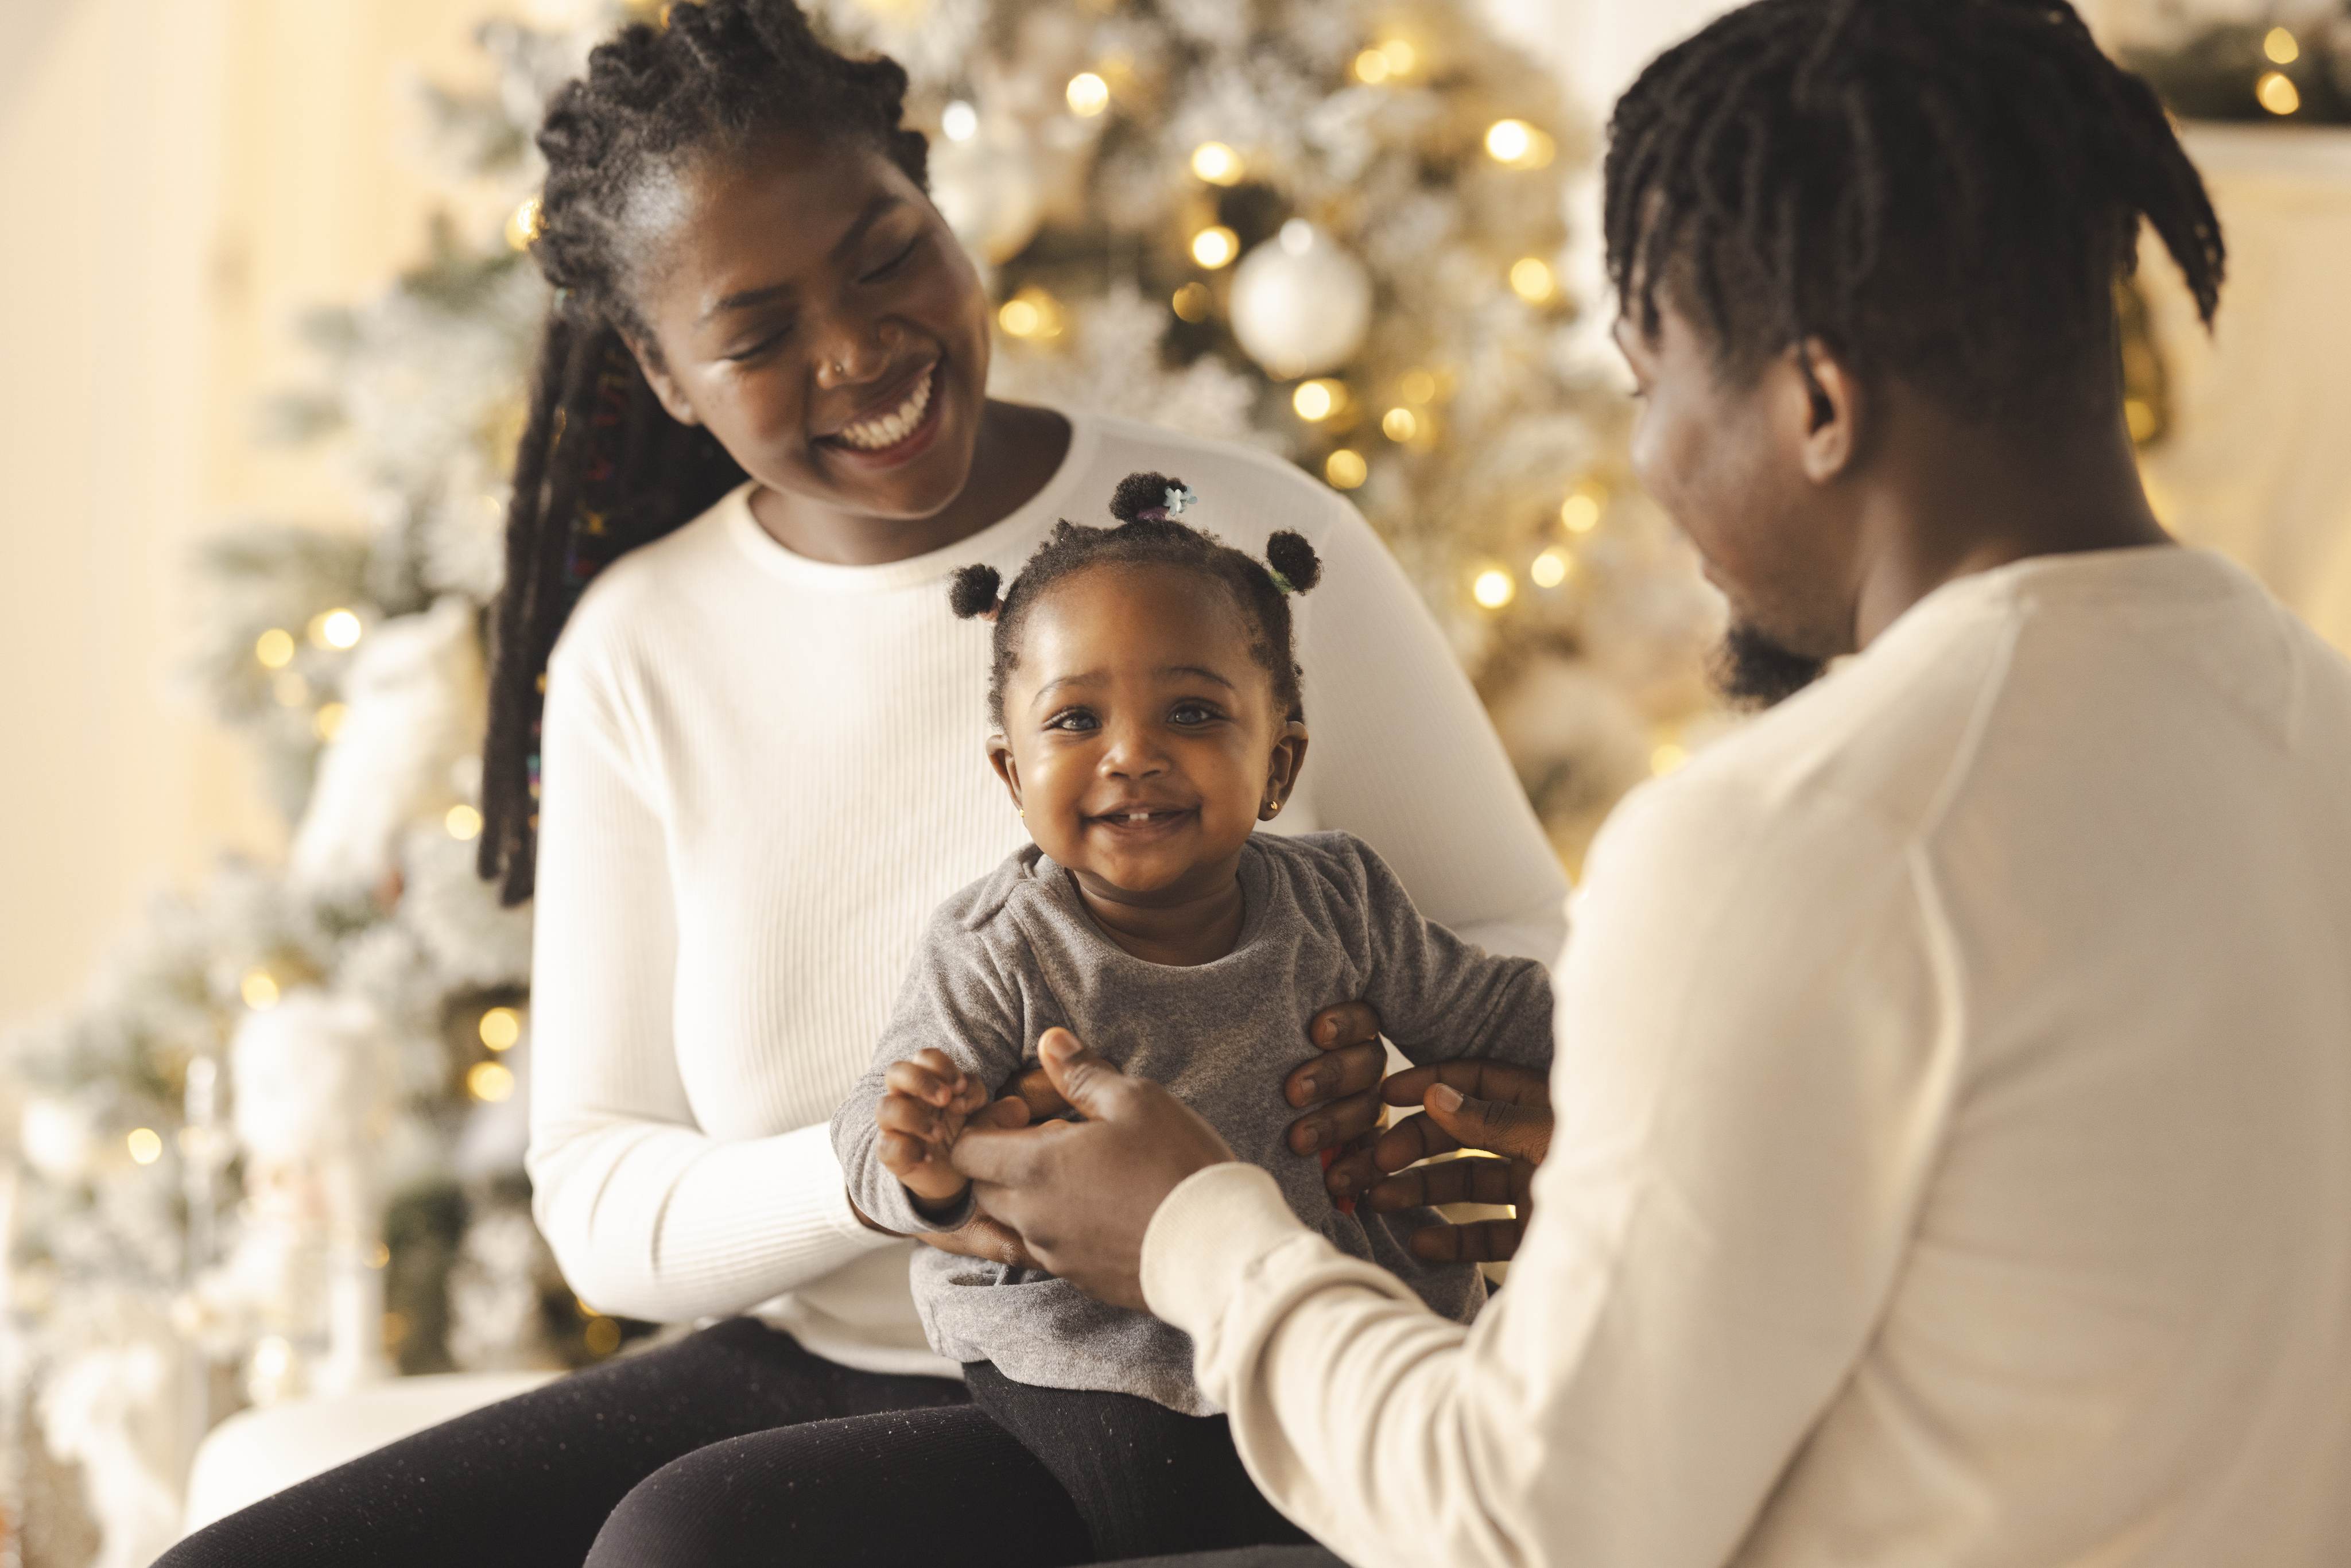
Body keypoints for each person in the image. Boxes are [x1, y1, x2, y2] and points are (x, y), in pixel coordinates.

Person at [156, 5, 1563, 1566]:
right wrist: (884, 1174)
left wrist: (1441, 1113)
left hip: (1192, 1364)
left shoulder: (1256, 547)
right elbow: (603, 1183)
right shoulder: (643, 648)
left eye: (887, 255)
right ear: (664, 373)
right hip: (823, 1359)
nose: (858, 351)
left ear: (934, 196)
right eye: (756, 334)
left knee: (688, 1547)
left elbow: (1528, 940)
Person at [946, 2, 2351, 1565]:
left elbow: (1528, 1519)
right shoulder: (2315, 725)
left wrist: (1196, 1232)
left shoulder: (1795, 837)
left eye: (1645, 378)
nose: (1652, 462)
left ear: (1816, 403)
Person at [832, 475, 1555, 1561]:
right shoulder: (994, 948)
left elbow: (1492, 1012)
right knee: (1166, 1497)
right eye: (1076, 720)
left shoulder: (1341, 897)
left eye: (1194, 712)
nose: (1132, 753)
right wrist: (929, 1163)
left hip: (1325, 1298)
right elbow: (866, 1144)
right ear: (1010, 773)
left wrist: (1616, 1052)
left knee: (1427, 1457)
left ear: (1281, 762)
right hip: (1089, 1345)